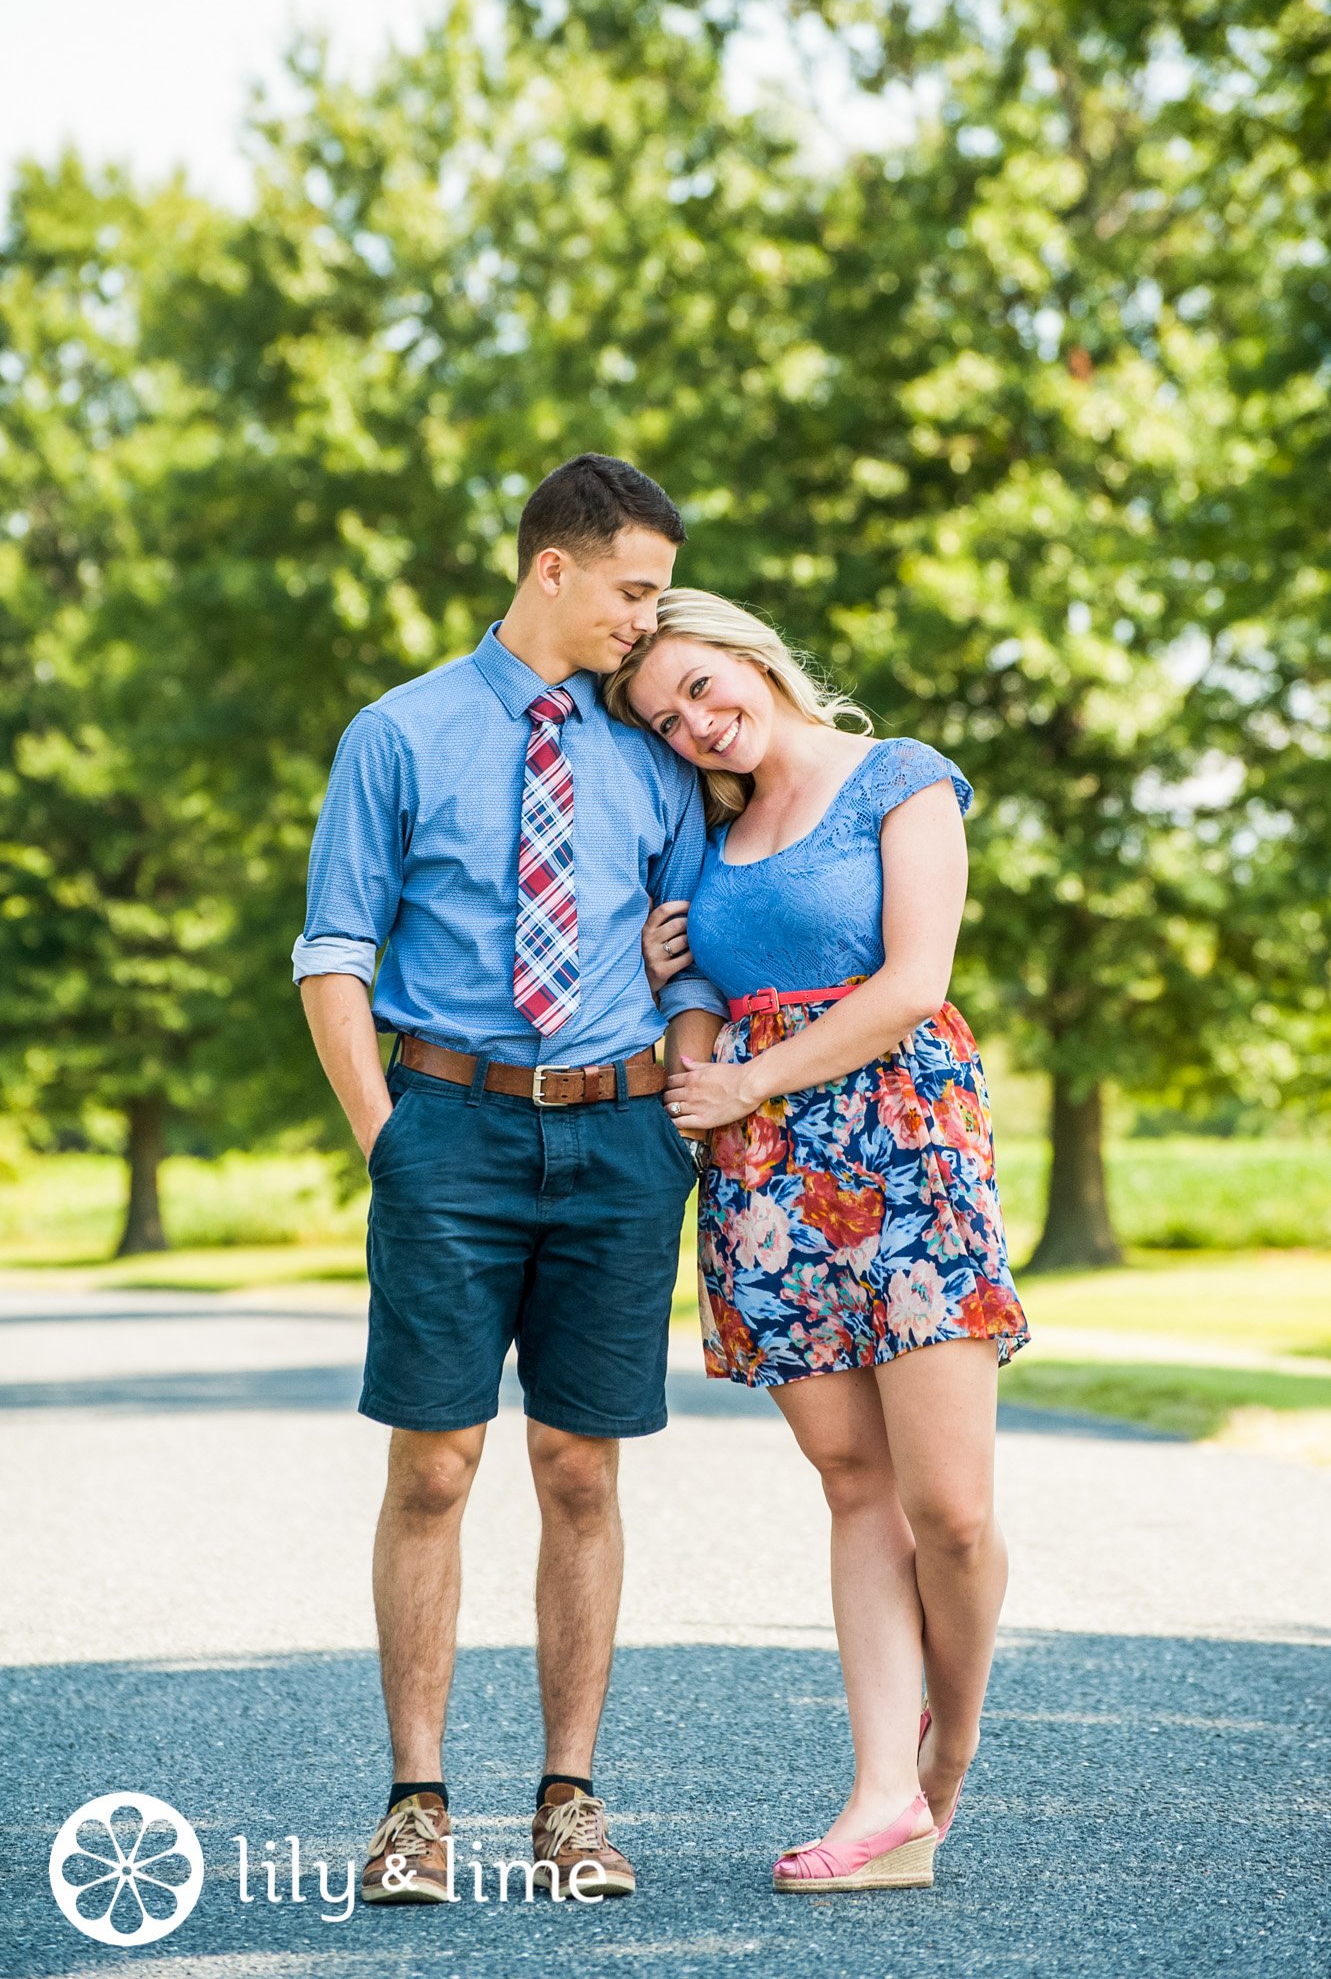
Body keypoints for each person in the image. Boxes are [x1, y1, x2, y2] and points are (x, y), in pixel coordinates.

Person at [294, 457, 725, 1904]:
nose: (648, 621)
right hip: (450, 1128)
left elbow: (694, 954)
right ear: (553, 567)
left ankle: (569, 1803)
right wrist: (386, 1134)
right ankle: (417, 1803)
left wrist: (676, 1090)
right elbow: (334, 951)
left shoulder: (655, 758)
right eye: (634, 589)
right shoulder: (398, 734)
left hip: (617, 1138)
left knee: (578, 1470)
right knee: (435, 1463)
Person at [604, 588, 1029, 1894]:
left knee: (949, 1509)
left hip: (905, 1147)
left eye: (698, 687)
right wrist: (674, 993)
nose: (694, 725)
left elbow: (913, 983)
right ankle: (882, 1798)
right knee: (856, 1488)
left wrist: (747, 1076)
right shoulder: (705, 837)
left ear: (749, 652)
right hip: (766, 1179)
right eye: (667, 720)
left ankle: (945, 1748)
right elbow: (693, 1029)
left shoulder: (900, 782)